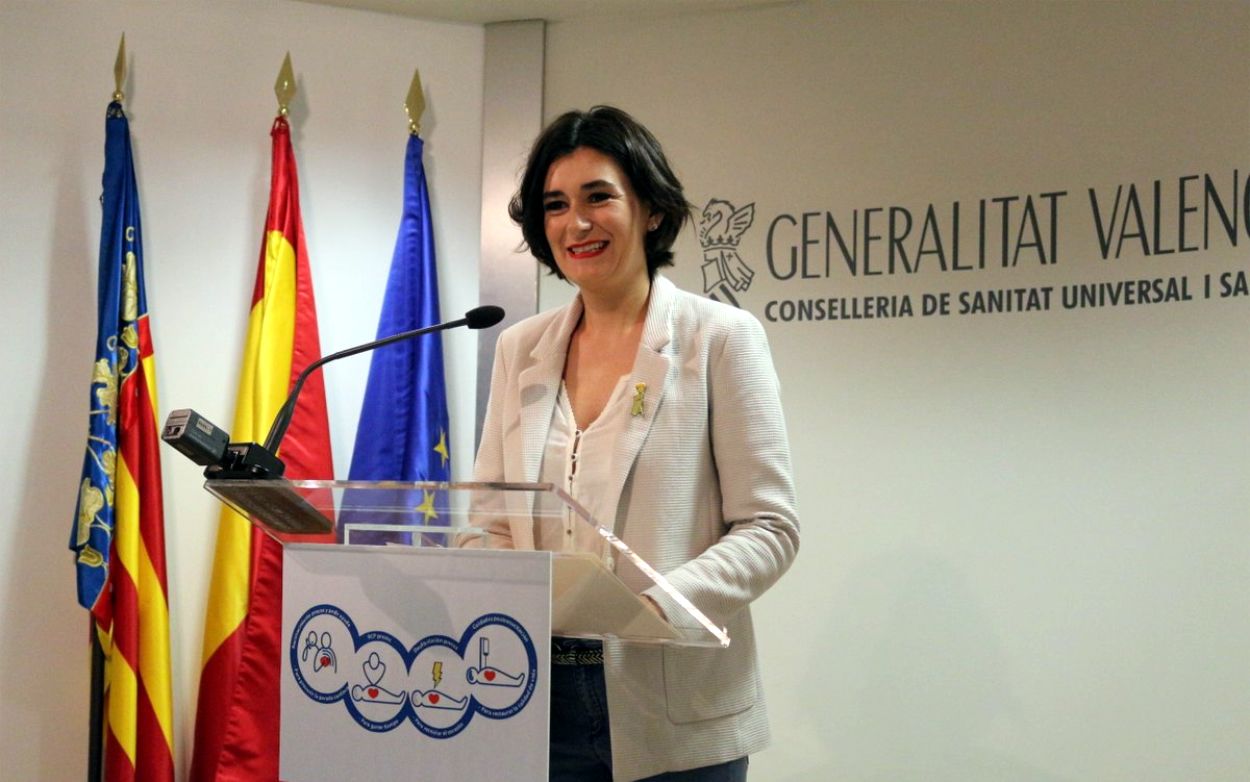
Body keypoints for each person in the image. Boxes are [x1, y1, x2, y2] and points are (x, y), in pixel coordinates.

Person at [473, 105, 799, 781]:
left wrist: (653, 607)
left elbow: (769, 528)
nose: (576, 223)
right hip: (530, 699)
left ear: (650, 209)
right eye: (555, 205)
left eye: (598, 197)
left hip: (675, 705)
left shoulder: (720, 339)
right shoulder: (519, 348)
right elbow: (488, 523)